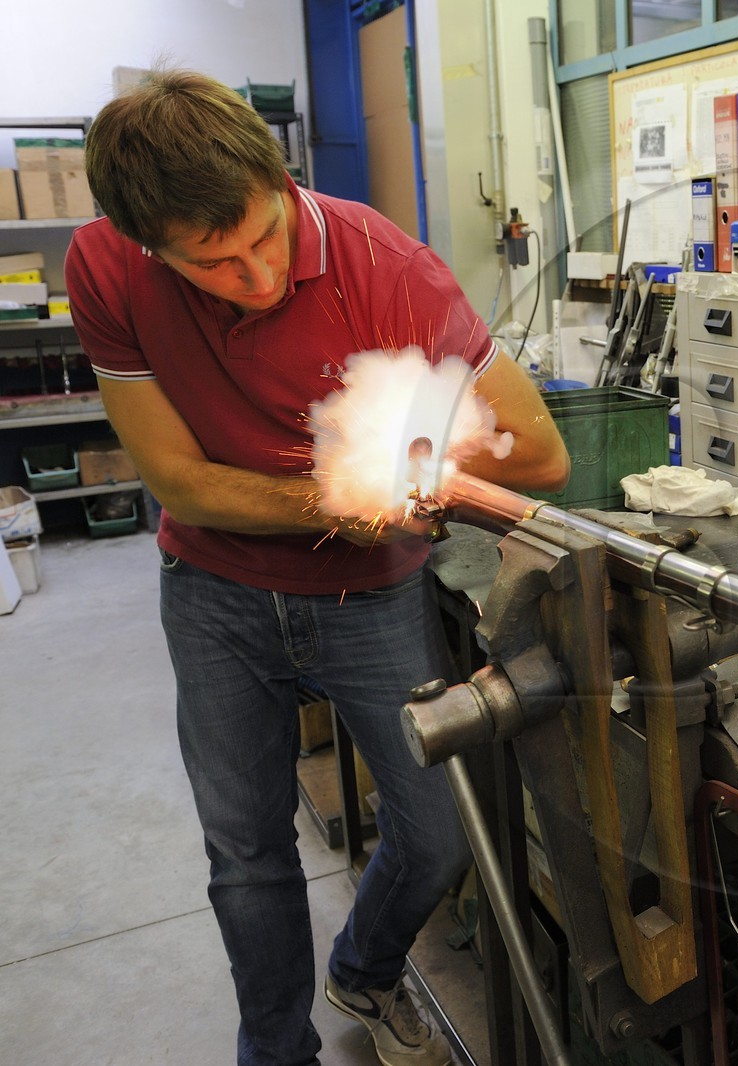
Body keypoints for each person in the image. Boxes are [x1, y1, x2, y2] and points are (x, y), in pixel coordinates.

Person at [66, 69, 570, 1066]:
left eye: (264, 235)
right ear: (146, 245)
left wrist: (431, 459)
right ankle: (275, 1048)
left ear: (279, 174)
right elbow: (181, 481)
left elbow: (542, 450)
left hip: (367, 597)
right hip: (212, 592)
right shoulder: (104, 266)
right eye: (213, 262)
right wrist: (342, 496)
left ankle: (367, 969)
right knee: (247, 857)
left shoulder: (386, 267)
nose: (254, 278)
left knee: (436, 832)